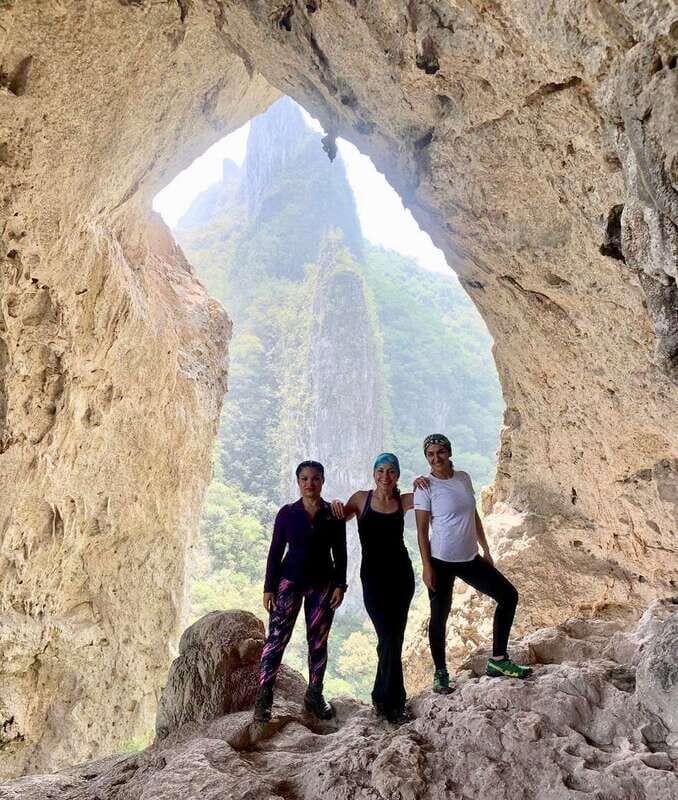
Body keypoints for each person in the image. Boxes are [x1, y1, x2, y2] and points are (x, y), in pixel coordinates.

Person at [414, 434, 532, 694]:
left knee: (508, 596)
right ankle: (441, 673)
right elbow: (421, 531)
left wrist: (485, 548)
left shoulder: (463, 478)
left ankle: (499, 660)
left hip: (469, 558)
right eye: (430, 454)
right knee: (439, 616)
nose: (436, 458)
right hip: (440, 561)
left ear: (449, 452)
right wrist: (426, 566)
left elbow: (473, 514)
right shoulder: (425, 487)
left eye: (440, 452)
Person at [253, 460, 347, 723]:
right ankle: (264, 698)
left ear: (323, 481)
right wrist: (269, 587)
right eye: (305, 479)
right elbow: (275, 551)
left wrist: (341, 585)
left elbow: (340, 552)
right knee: (276, 640)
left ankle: (314, 694)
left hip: (323, 585)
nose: (310, 484)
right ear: (298, 482)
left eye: (315, 478)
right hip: (289, 582)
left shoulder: (333, 514)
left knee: (318, 641)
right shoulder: (287, 513)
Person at [331, 453, 415, 725]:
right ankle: (386, 699)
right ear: (373, 473)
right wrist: (334, 505)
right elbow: (339, 516)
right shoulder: (361, 499)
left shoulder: (403, 501)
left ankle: (389, 701)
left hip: (402, 577)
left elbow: (435, 498)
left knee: (394, 639)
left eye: (391, 471)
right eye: (380, 470)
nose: (385, 476)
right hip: (374, 579)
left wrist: (427, 481)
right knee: (387, 638)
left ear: (398, 475)